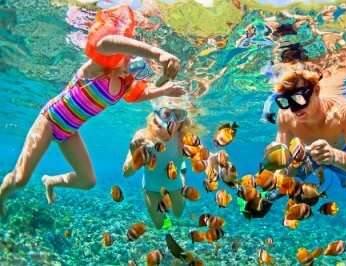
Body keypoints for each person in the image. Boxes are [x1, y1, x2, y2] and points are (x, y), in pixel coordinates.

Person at [0, 5, 185, 216]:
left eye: (136, 68)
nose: (129, 67)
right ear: (124, 53)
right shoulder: (96, 68)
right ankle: (1, 195)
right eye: (129, 59)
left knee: (88, 181)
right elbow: (104, 43)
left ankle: (50, 181)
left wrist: (166, 88)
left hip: (69, 131)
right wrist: (157, 52)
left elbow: (140, 95)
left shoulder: (125, 84)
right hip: (50, 120)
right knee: (21, 178)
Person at [263, 69, 346, 211]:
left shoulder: (344, 111)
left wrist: (334, 156)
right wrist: (275, 161)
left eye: (299, 98)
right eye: (286, 101)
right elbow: (282, 160)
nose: (295, 109)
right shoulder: (285, 115)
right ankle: (277, 192)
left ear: (316, 90)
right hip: (305, 155)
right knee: (282, 180)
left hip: (341, 153)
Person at [122, 104, 200, 229]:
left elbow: (202, 156)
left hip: (175, 182)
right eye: (167, 114)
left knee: (178, 213)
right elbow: (126, 173)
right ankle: (166, 213)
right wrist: (134, 153)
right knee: (160, 225)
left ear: (182, 122)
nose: (172, 121)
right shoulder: (142, 136)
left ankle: (182, 174)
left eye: (178, 115)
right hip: (151, 186)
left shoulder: (184, 137)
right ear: (157, 116)